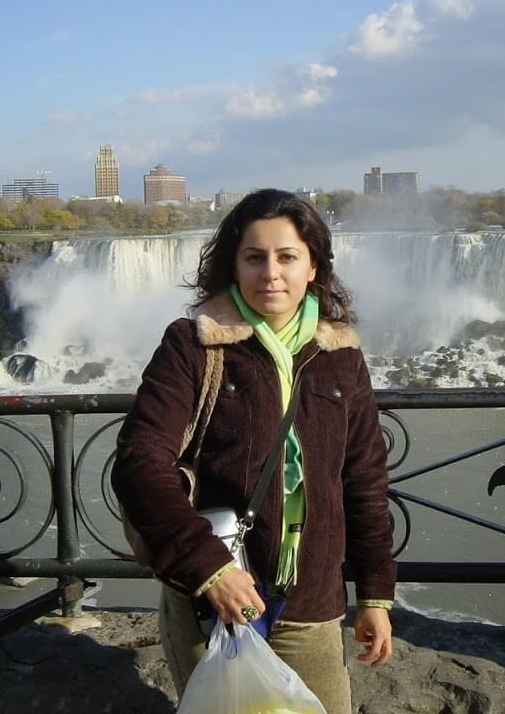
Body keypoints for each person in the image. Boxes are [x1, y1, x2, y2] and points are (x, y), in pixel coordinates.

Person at [112, 188, 396, 714]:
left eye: (288, 257)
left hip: (311, 600)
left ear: (314, 267)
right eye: (254, 257)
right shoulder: (195, 346)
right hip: (212, 600)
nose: (272, 273)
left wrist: (375, 594)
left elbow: (364, 481)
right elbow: (139, 464)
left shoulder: (340, 357)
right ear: (233, 265)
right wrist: (211, 570)